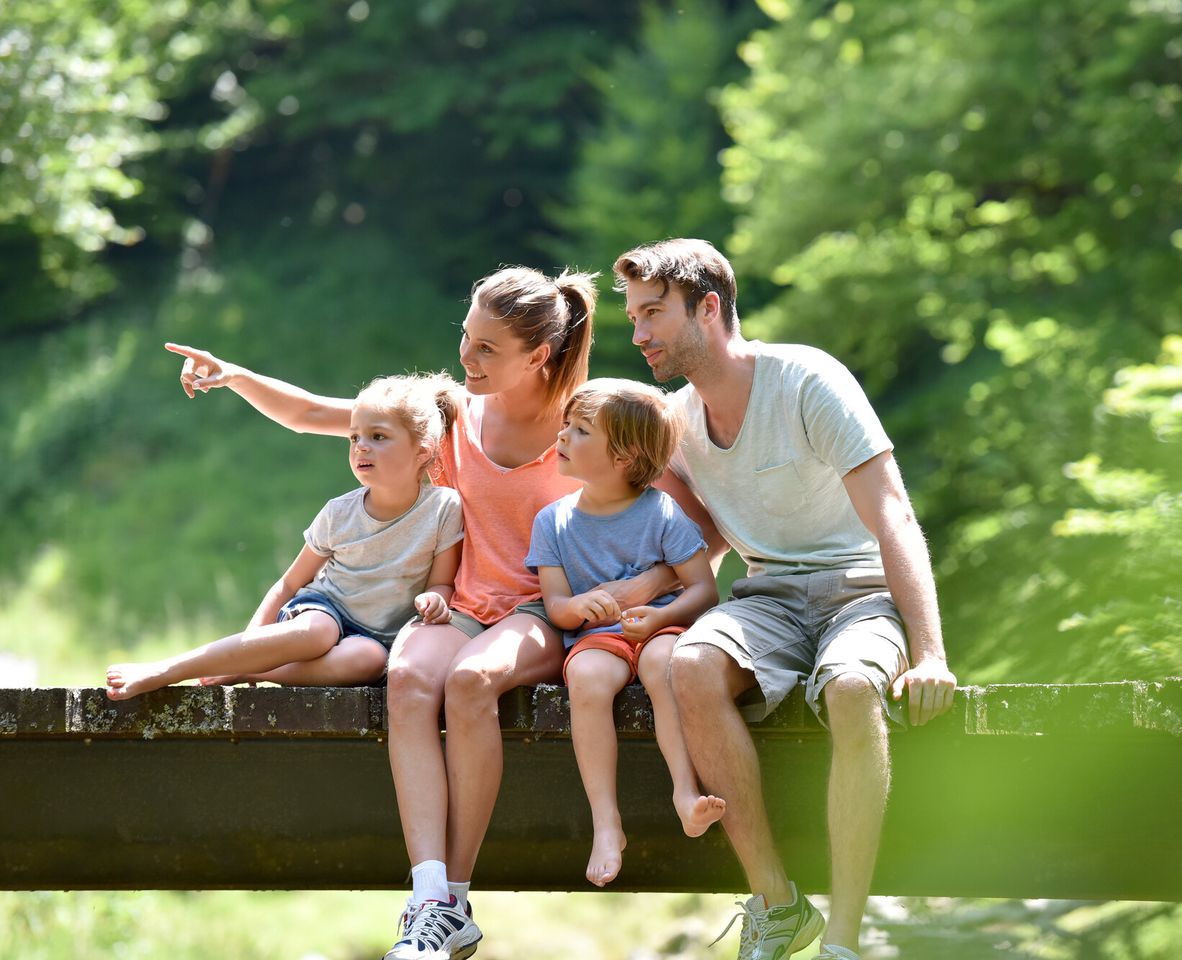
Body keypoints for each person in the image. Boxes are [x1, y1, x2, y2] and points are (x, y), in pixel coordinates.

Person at [164, 266, 688, 960]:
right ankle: (428, 899)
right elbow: (318, 414)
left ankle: (458, 901)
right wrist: (234, 375)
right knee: (409, 679)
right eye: (466, 340)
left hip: (540, 611)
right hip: (459, 605)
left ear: (537, 355)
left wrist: (635, 592)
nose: (467, 360)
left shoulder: (587, 422)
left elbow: (685, 522)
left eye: (486, 350)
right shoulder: (449, 413)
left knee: (471, 683)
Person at [614, 238, 958, 960]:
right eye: (634, 317)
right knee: (693, 665)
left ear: (707, 308)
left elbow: (891, 512)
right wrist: (626, 601)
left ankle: (843, 936)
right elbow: (695, 546)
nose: (639, 334)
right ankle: (777, 903)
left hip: (859, 593)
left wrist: (929, 654)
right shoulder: (678, 425)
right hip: (766, 595)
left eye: (653, 314)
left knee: (856, 688)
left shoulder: (807, 380)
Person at [104, 373, 463, 700]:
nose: (360, 447)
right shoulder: (339, 513)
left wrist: (435, 601)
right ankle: (168, 670)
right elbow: (288, 584)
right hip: (324, 611)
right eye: (354, 437)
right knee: (318, 632)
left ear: (423, 449)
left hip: (377, 639)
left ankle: (256, 671)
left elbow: (442, 583)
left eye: (378, 437)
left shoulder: (443, 508)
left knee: (368, 661)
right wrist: (251, 641)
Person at [526, 377, 725, 888]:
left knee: (665, 664)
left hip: (662, 628)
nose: (563, 437)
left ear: (624, 458)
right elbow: (556, 608)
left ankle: (685, 791)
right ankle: (606, 822)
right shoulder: (552, 522)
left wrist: (661, 618)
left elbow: (703, 589)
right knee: (588, 678)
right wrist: (579, 606)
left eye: (581, 430)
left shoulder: (661, 512)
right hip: (600, 639)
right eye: (566, 426)